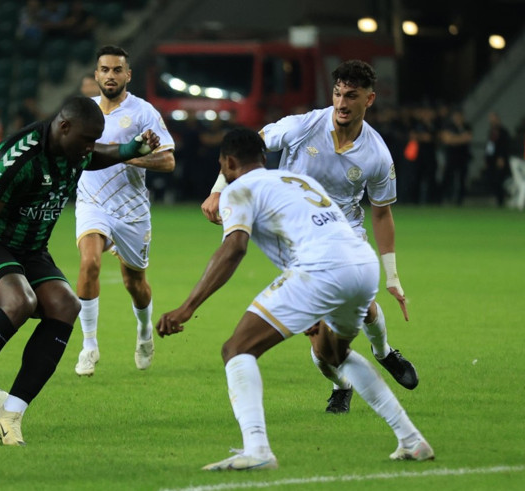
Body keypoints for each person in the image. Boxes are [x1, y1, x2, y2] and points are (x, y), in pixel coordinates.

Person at [157, 128, 433, 470]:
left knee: (236, 349)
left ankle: (257, 450)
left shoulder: (238, 190)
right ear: (263, 157)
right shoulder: (298, 180)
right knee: (334, 353)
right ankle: (411, 440)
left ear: (228, 162)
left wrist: (187, 308)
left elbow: (233, 249)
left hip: (321, 270)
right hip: (362, 264)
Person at [0, 95, 161, 446]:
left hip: (31, 250)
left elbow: (96, 155)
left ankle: (11, 416)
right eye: (84, 140)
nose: (88, 148)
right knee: (20, 301)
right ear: (63, 127)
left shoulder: (73, 151)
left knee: (67, 305)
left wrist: (132, 148)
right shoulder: (18, 158)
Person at [201, 60, 417, 414]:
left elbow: (381, 212)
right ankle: (341, 385)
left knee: (363, 309)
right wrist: (217, 190)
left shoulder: (377, 154)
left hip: (345, 235)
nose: (342, 103)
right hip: (297, 240)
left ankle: (384, 353)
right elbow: (247, 146)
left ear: (370, 99)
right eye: (337, 93)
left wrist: (392, 275)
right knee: (321, 339)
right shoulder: (303, 126)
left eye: (351, 96)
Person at [73, 46, 175, 376]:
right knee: (89, 262)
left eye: (117, 70)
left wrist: (129, 156)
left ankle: (144, 332)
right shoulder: (84, 112)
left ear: (128, 75)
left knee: (135, 283)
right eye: (105, 69)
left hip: (131, 211)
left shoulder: (143, 112)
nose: (110, 76)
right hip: (91, 203)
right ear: (96, 74)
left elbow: (168, 160)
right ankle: (89, 346)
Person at [439, 109, 472, 206]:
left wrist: (454, 138)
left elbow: (468, 138)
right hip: (451, 157)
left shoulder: (466, 126)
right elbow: (447, 140)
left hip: (463, 157)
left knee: (462, 179)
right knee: (448, 178)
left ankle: (459, 201)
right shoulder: (448, 126)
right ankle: (444, 198)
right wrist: (461, 138)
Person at [485, 111, 511, 207]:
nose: (491, 120)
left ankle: (501, 200)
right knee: (492, 180)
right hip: (492, 160)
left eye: (493, 118)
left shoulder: (503, 132)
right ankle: (499, 199)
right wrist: (487, 159)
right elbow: (489, 147)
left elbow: (504, 146)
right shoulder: (491, 131)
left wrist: (501, 157)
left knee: (499, 180)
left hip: (499, 160)